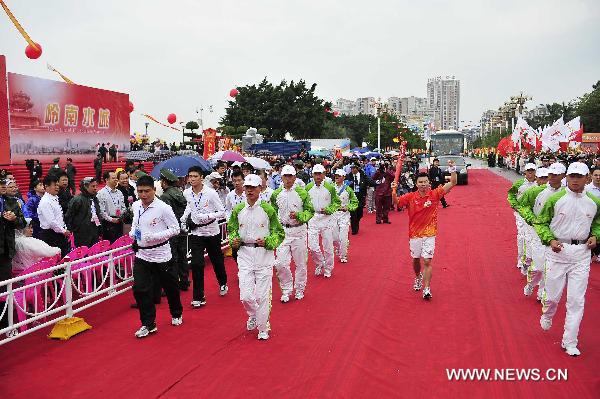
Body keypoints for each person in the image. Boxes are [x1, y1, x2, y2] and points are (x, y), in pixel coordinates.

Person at [534, 162, 600, 356]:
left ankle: (570, 341)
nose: (575, 180)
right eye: (572, 176)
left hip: (581, 254)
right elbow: (541, 223)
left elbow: (597, 223)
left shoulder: (594, 202)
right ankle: (548, 313)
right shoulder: (555, 198)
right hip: (557, 252)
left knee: (576, 301)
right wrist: (550, 239)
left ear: (587, 178)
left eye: (580, 176)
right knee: (553, 297)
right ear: (566, 177)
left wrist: (596, 235)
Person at [228, 174, 285, 340]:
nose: (250, 190)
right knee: (245, 296)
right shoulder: (238, 210)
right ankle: (253, 314)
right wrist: (234, 240)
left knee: (261, 295)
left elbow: (279, 233)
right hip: (245, 255)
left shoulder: (268, 209)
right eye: (247, 187)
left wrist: (268, 241)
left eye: (253, 187)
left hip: (263, 256)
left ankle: (262, 327)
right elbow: (231, 230)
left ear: (260, 188)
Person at [391, 160, 458, 300]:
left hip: (430, 233)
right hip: (414, 233)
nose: (423, 184)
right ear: (416, 184)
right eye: (420, 182)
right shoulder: (410, 197)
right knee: (416, 260)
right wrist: (393, 190)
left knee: (427, 261)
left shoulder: (435, 194)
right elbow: (396, 202)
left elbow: (453, 183)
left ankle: (427, 288)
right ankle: (418, 276)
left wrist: (452, 168)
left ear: (429, 183)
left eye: (425, 182)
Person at [130, 174, 183, 338]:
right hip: (142, 254)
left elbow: (176, 229)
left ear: (154, 190)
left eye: (147, 191)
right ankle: (148, 323)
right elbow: (136, 224)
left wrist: (155, 236)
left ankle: (176, 312)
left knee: (170, 286)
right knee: (140, 288)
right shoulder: (136, 206)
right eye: (140, 191)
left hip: (162, 254)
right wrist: (134, 233)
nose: (144, 195)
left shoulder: (163, 207)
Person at [181, 166, 228, 308]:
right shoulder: (187, 193)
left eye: (195, 176)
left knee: (216, 260)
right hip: (196, 232)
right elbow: (189, 207)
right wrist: (183, 219)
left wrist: (207, 216)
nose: (192, 179)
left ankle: (223, 282)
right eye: (190, 176)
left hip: (212, 231)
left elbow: (222, 212)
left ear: (201, 178)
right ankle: (198, 296)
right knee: (196, 264)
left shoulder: (211, 193)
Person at [518, 164, 565, 301]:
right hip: (537, 233)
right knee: (538, 267)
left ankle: (542, 294)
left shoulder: (566, 193)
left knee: (549, 268)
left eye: (554, 175)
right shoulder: (535, 192)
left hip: (555, 236)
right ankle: (531, 283)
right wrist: (531, 219)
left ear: (563, 176)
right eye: (545, 177)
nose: (548, 179)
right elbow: (522, 206)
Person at [270, 165, 314, 302]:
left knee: (300, 263)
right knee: (280, 263)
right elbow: (273, 212)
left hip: (299, 231)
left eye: (291, 176)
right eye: (285, 176)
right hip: (283, 232)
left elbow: (310, 211)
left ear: (295, 177)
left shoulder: (302, 193)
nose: (288, 179)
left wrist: (300, 216)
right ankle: (287, 289)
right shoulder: (276, 194)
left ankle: (299, 289)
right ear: (281, 177)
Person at [306, 164, 341, 278]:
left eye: (320, 174)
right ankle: (320, 263)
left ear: (324, 174)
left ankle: (328, 268)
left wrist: (329, 209)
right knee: (312, 246)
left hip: (326, 219)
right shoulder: (308, 187)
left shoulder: (330, 187)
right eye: (316, 174)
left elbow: (337, 202)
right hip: (313, 218)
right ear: (312, 175)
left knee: (327, 247)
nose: (318, 176)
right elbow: (305, 203)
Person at [159, 169, 189, 291]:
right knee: (183, 256)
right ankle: (184, 281)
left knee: (172, 258)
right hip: (182, 228)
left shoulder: (165, 196)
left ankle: (174, 283)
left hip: (172, 231)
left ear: (165, 182)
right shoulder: (179, 192)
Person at [507, 163, 538, 274]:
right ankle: (521, 260)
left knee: (532, 239)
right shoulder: (519, 183)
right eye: (528, 171)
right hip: (521, 214)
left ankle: (532, 261)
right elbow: (510, 195)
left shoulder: (539, 184)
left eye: (532, 171)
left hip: (534, 215)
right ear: (524, 172)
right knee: (522, 236)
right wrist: (514, 205)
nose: (530, 173)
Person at [38, 175, 71, 257]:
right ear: (46, 186)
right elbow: (51, 222)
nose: (57, 187)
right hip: (51, 235)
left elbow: (59, 217)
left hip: (59, 233)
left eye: (57, 185)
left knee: (63, 258)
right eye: (54, 185)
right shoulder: (45, 202)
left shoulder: (54, 198)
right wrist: (64, 231)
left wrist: (64, 228)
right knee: (56, 260)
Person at [65, 177, 101, 248]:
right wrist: (74, 229)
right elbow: (69, 216)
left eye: (96, 186)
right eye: (93, 186)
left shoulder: (95, 198)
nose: (95, 188)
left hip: (94, 230)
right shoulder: (77, 200)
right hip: (81, 233)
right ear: (85, 186)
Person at [332, 169, 358, 263]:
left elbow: (355, 202)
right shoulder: (330, 188)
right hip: (333, 215)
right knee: (334, 238)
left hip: (344, 215)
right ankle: (340, 248)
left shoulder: (348, 189)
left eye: (339, 175)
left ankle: (343, 255)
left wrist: (348, 207)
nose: (337, 177)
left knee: (343, 237)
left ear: (343, 177)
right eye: (336, 175)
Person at [97, 171, 127, 243]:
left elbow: (123, 206)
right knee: (110, 244)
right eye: (113, 178)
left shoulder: (119, 192)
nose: (116, 180)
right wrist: (111, 219)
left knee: (119, 243)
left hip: (119, 221)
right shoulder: (101, 193)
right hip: (108, 223)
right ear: (106, 180)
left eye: (116, 178)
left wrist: (121, 215)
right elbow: (101, 211)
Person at [346, 163, 369, 234]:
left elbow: (369, 181)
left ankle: (356, 221)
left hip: (360, 196)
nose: (352, 170)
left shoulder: (363, 175)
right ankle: (354, 229)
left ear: (357, 168)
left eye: (354, 168)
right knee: (353, 213)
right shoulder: (348, 176)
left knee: (360, 214)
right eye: (351, 168)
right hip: (352, 197)